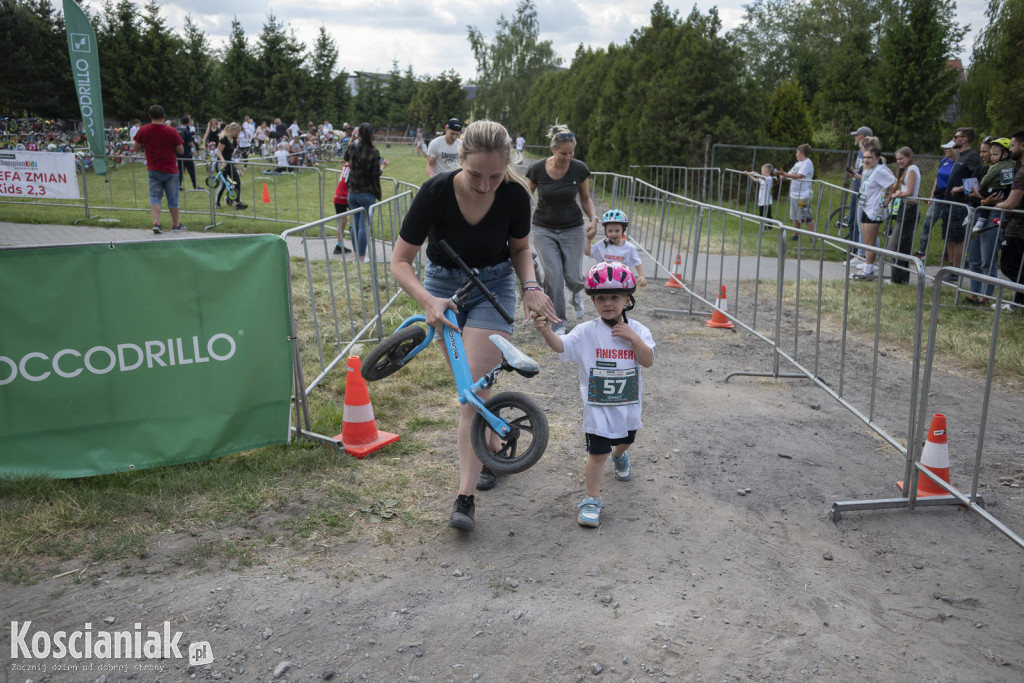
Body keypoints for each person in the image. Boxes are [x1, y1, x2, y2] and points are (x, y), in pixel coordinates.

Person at [390, 119, 558, 531]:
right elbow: (399, 261)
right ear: (459, 160)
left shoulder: (516, 195)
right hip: (443, 285)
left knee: (472, 395)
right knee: (475, 392)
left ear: (508, 168)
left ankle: (464, 499)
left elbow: (520, 249)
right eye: (476, 175)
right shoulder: (434, 193)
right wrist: (428, 301)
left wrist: (531, 285)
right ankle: (495, 445)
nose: (485, 186)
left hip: (493, 285)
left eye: (496, 176)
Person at [532, 261, 655, 527]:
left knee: (626, 441)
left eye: (615, 297)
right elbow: (561, 347)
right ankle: (592, 500)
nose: (608, 303)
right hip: (597, 410)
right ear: (592, 300)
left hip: (627, 409)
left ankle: (620, 456)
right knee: (597, 455)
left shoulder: (640, 331)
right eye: (601, 298)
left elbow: (647, 360)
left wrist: (633, 339)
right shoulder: (586, 332)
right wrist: (545, 331)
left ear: (627, 299)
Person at [525, 123, 600, 334]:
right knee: (554, 277)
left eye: (571, 152)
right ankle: (558, 321)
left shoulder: (579, 168)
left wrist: (593, 218)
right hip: (544, 228)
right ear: (553, 150)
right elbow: (525, 196)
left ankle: (575, 293)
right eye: (563, 153)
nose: (568, 157)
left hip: (572, 228)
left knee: (575, 277)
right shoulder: (537, 169)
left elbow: (585, 199)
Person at [965, 137, 1015, 303]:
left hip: (993, 215)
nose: (987, 156)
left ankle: (985, 297)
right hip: (980, 212)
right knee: (974, 258)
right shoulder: (984, 169)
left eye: (991, 153)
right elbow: (977, 196)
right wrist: (982, 200)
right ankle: (973, 294)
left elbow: (1005, 196)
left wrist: (988, 201)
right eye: (987, 152)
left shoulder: (1007, 169)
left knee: (988, 259)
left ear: (1004, 154)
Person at [133, 104, 186, 234]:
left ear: (150, 116)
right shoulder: (172, 131)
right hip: (170, 169)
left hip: (153, 168)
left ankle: (156, 222)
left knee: (154, 196)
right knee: (173, 198)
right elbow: (181, 150)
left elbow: (136, 148)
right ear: (164, 116)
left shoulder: (143, 130)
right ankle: (175, 225)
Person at [345, 123, 389, 263]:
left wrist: (352, 139)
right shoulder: (373, 152)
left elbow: (346, 157)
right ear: (371, 134)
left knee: (354, 225)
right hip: (366, 193)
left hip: (352, 192)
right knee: (363, 225)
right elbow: (375, 174)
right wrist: (383, 166)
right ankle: (361, 257)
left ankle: (356, 255)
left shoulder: (352, 147)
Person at [850, 145, 896, 281]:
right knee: (866, 241)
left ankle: (869, 270)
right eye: (865, 157)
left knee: (870, 242)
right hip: (866, 207)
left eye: (870, 157)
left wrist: (887, 199)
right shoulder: (871, 170)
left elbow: (895, 182)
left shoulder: (881, 170)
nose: (866, 160)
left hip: (874, 210)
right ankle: (867, 267)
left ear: (877, 158)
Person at [945, 127, 984, 280]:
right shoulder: (960, 155)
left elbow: (977, 180)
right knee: (949, 236)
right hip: (950, 203)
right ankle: (950, 267)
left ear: (965, 139)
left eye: (956, 136)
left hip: (961, 203)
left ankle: (956, 272)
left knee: (957, 237)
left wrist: (960, 188)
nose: (953, 139)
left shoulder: (972, 157)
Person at [995, 130, 1024, 308]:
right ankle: (1018, 303)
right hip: (1018, 227)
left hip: (1018, 228)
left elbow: (1011, 203)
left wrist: (994, 205)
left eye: (1012, 145)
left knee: (1008, 265)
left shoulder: (1022, 173)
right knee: (1020, 268)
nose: (1010, 149)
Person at [884, 147, 920, 285]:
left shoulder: (912, 169)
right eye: (897, 159)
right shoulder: (905, 171)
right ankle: (900, 278)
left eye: (901, 158)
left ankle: (898, 278)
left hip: (909, 208)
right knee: (901, 246)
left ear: (909, 157)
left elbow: (910, 191)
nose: (899, 161)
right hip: (904, 207)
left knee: (896, 246)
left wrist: (896, 194)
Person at [915, 139, 957, 258]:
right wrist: (931, 196)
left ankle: (947, 254)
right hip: (938, 198)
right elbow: (937, 179)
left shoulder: (959, 164)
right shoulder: (944, 161)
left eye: (948, 148)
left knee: (947, 227)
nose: (945, 150)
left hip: (950, 200)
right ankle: (921, 251)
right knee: (927, 223)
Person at [585, 210, 648, 287]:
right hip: (603, 281)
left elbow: (637, 262)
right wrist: (589, 239)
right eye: (610, 231)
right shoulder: (601, 245)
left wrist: (642, 276)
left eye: (617, 231)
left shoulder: (630, 248)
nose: (613, 234)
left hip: (622, 282)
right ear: (605, 231)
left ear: (623, 230)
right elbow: (587, 252)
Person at [773, 143, 815, 241]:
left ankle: (813, 237)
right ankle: (795, 235)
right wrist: (779, 176)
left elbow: (800, 176)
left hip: (803, 195)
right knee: (795, 215)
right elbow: (789, 174)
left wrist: (784, 174)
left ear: (802, 153)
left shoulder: (807, 163)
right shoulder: (797, 164)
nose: (796, 154)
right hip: (794, 194)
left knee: (806, 216)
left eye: (797, 152)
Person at [845, 126, 873, 254]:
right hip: (855, 189)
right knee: (852, 221)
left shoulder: (869, 154)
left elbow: (870, 177)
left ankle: (858, 251)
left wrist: (857, 176)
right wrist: (855, 174)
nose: (855, 138)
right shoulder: (859, 152)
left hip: (862, 192)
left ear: (862, 137)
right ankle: (853, 249)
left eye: (857, 135)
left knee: (859, 223)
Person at [215, 122, 248, 210]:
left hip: (229, 163)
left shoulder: (233, 139)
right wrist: (222, 161)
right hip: (221, 163)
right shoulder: (224, 139)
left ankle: (238, 203)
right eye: (237, 131)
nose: (238, 133)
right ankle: (217, 202)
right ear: (232, 130)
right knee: (223, 184)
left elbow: (231, 152)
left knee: (237, 181)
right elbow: (219, 152)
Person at [332, 162, 353, 254]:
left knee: (342, 221)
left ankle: (339, 245)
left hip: (338, 195)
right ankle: (357, 245)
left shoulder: (346, 164)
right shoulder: (356, 164)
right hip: (347, 195)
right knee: (356, 215)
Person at [176, 114, 198, 190]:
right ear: (188, 122)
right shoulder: (187, 132)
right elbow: (191, 144)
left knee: (180, 170)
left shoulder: (176, 129)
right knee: (192, 170)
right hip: (186, 154)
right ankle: (195, 185)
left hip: (178, 153)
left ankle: (178, 185)